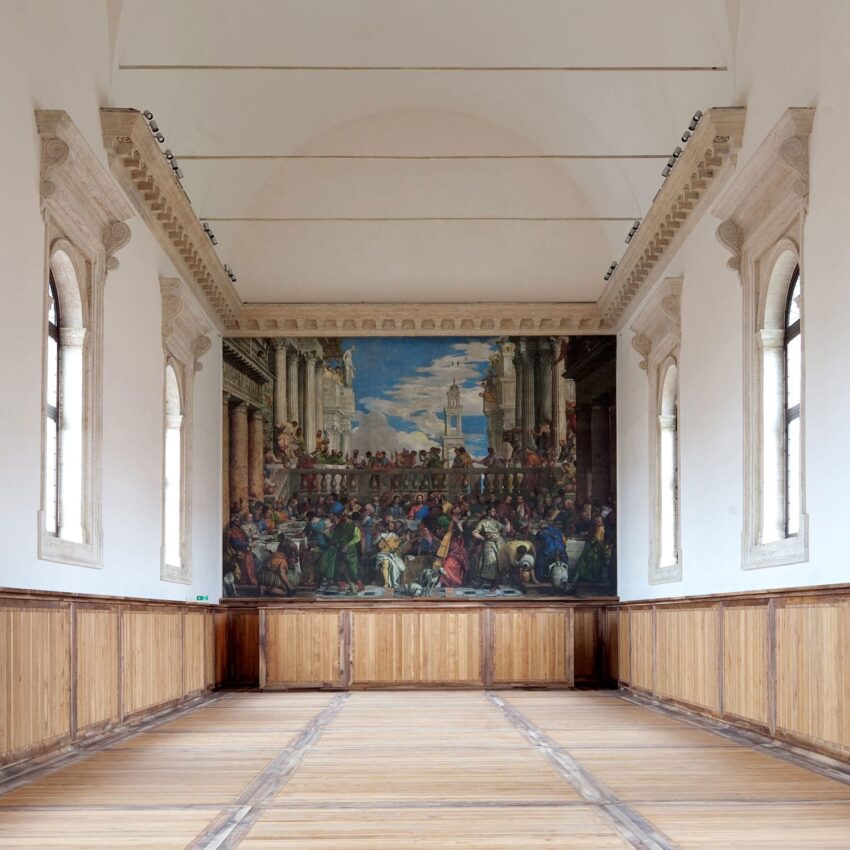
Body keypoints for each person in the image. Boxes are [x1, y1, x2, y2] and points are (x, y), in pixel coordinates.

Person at [471, 506, 507, 588]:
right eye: (493, 511)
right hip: (489, 543)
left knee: (499, 561)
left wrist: (507, 522)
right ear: (488, 512)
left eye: (495, 511)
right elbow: (474, 532)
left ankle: (496, 582)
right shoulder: (482, 522)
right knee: (489, 560)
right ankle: (485, 581)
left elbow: (506, 530)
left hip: (499, 543)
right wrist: (482, 538)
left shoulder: (496, 522)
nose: (494, 512)